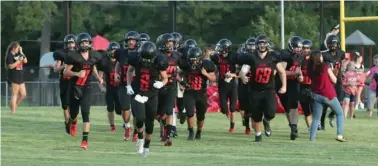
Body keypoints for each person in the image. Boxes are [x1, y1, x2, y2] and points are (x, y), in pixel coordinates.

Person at [239, 35, 287, 142]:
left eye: (264, 43)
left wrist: (284, 86)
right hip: (254, 90)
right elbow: (243, 70)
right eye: (260, 43)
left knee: (271, 113)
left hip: (269, 90)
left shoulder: (273, 57)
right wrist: (243, 76)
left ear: (267, 44)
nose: (262, 45)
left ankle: (266, 121)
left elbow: (282, 72)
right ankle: (258, 135)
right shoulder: (252, 57)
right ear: (256, 45)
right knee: (256, 115)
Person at [126, 41, 168, 157]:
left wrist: (161, 83)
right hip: (138, 92)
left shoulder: (159, 61)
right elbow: (129, 70)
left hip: (151, 94)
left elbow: (165, 78)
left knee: (150, 123)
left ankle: (147, 146)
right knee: (139, 118)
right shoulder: (135, 58)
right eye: (144, 58)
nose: (145, 61)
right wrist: (128, 85)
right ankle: (140, 138)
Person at [64, 33, 103, 150]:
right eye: (82, 43)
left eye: (86, 42)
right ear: (78, 44)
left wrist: (98, 78)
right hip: (75, 87)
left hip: (87, 87)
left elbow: (93, 67)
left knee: (86, 113)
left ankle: (85, 141)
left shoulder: (93, 56)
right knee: (74, 114)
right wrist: (77, 73)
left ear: (89, 43)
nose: (85, 45)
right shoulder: (73, 56)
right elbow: (66, 71)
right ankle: (73, 122)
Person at [307, 51, 346, 142]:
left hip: (316, 95)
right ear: (319, 57)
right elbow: (334, 80)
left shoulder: (310, 69)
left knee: (316, 118)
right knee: (340, 113)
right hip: (328, 94)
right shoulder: (325, 67)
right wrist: (334, 72)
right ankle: (339, 135)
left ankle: (312, 138)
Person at [179, 47, 217, 140]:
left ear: (200, 58)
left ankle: (199, 132)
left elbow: (214, 78)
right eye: (191, 60)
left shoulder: (206, 64)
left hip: (201, 92)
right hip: (189, 92)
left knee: (201, 116)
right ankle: (191, 132)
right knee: (190, 113)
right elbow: (179, 73)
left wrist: (206, 74)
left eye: (195, 60)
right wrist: (182, 82)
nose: (193, 62)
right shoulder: (185, 64)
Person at [277, 36, 305, 140]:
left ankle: (294, 127)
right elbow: (281, 71)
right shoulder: (285, 55)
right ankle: (292, 125)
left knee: (293, 104)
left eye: (299, 47)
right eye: (296, 47)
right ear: (290, 46)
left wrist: (300, 75)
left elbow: (298, 67)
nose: (298, 49)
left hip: (293, 82)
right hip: (280, 82)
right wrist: (295, 73)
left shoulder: (301, 55)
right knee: (286, 107)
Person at [114, 31, 140, 142]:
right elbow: (118, 64)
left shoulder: (141, 53)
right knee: (124, 108)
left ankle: (136, 132)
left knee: (136, 110)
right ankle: (127, 126)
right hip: (123, 84)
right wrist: (116, 72)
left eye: (133, 40)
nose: (131, 42)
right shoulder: (121, 53)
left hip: (137, 85)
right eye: (129, 40)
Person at [156, 33, 181, 146]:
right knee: (159, 114)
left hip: (171, 87)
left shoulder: (177, 56)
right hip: (158, 87)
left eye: (172, 43)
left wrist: (182, 80)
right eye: (168, 43)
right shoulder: (157, 56)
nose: (170, 46)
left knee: (169, 111)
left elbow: (182, 69)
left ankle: (167, 136)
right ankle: (163, 132)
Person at [210, 39, 239, 133]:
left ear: (226, 49)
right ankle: (228, 115)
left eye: (221, 47)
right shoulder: (216, 57)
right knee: (223, 108)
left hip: (232, 83)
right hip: (222, 83)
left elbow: (240, 71)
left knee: (233, 107)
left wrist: (233, 75)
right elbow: (211, 64)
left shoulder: (234, 56)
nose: (219, 49)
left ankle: (232, 126)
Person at [319, 35, 347, 130]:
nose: (333, 45)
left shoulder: (341, 53)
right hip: (328, 82)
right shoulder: (324, 54)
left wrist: (343, 68)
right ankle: (321, 123)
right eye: (331, 43)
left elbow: (344, 62)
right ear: (328, 44)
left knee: (341, 101)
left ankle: (331, 115)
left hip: (338, 80)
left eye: (334, 43)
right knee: (326, 104)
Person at [53, 34, 77, 134]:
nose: (71, 45)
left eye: (72, 43)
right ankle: (67, 122)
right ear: (66, 44)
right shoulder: (61, 55)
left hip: (75, 81)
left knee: (74, 104)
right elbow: (56, 69)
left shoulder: (78, 53)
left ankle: (73, 121)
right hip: (65, 81)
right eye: (69, 43)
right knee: (65, 105)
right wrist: (64, 66)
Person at [97, 42, 122, 131]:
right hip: (110, 88)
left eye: (115, 50)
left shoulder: (122, 61)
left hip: (120, 88)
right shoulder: (104, 62)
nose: (113, 52)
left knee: (120, 110)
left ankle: (126, 123)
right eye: (112, 50)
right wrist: (102, 87)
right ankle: (112, 125)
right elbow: (99, 77)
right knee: (110, 108)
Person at [5, 42, 28, 113]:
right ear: (13, 48)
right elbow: (11, 66)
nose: (18, 49)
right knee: (14, 94)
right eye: (18, 48)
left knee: (23, 94)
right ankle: (13, 112)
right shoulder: (10, 56)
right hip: (13, 77)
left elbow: (25, 61)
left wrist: (21, 52)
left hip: (20, 77)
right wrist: (18, 61)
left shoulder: (19, 54)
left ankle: (13, 105)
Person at [300, 39, 313, 128]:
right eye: (304, 48)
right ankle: (310, 128)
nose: (305, 50)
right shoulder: (298, 58)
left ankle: (317, 123)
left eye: (307, 48)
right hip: (301, 85)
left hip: (312, 85)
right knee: (305, 108)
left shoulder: (314, 58)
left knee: (314, 106)